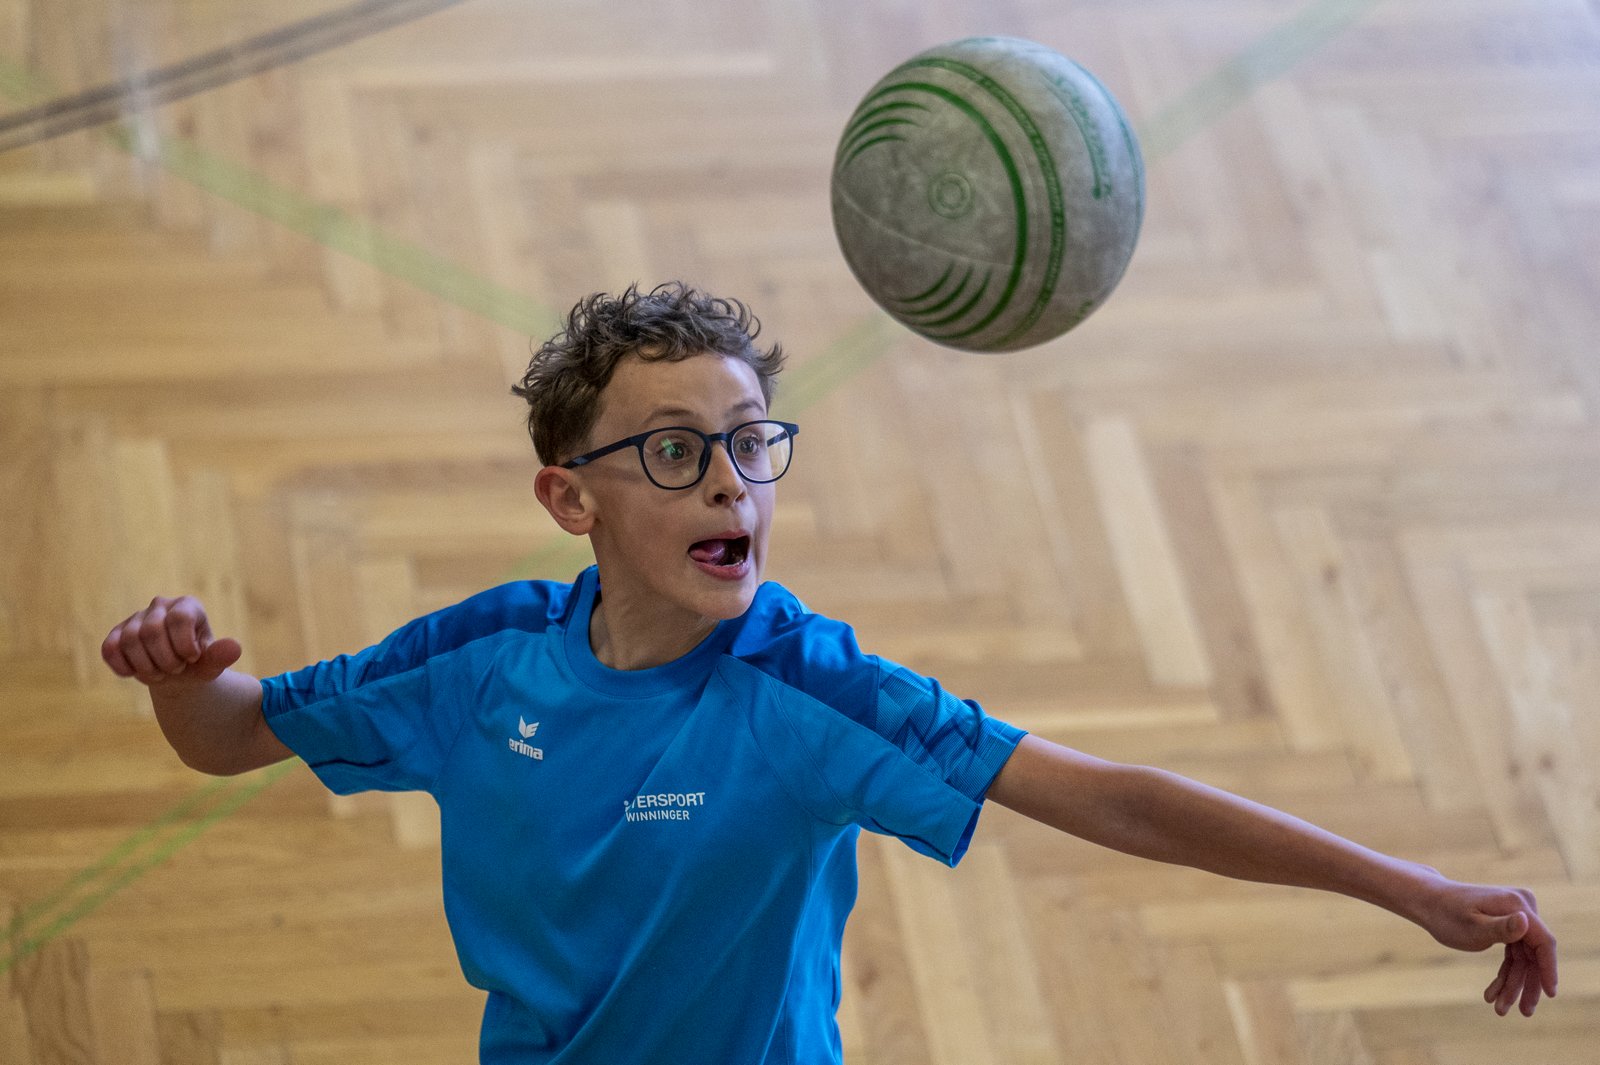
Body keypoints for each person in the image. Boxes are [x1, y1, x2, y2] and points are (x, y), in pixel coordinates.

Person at [103, 281, 1558, 1063]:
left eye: (751, 445)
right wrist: (181, 679)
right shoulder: (482, 660)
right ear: (570, 499)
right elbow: (231, 737)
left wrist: (1411, 889)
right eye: (675, 450)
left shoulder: (811, 694)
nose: (729, 481)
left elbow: (1111, 800)